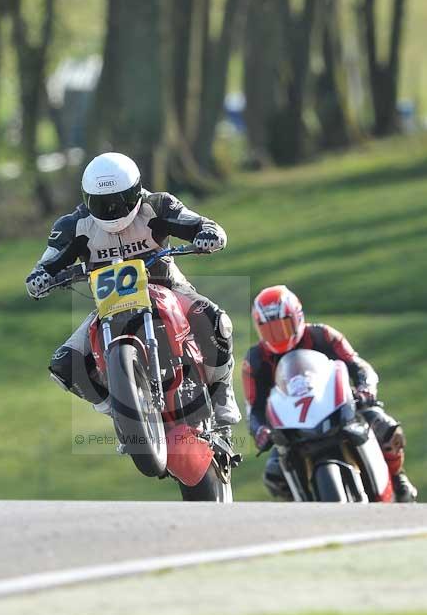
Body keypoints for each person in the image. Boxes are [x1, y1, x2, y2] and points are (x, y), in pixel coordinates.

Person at [26, 151, 241, 426]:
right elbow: (46, 263)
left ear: (137, 192)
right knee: (64, 365)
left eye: (119, 201)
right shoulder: (73, 226)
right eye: (102, 204)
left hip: (169, 287)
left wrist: (209, 235)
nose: (112, 211)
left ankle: (222, 390)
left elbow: (201, 223)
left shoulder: (159, 205)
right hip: (112, 303)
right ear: (86, 199)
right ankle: (119, 411)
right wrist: (39, 279)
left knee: (216, 321)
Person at [242, 284, 417, 502]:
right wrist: (260, 431)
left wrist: (366, 388)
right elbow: (254, 407)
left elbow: (358, 366)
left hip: (340, 407)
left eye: (282, 326)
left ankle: (398, 478)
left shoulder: (323, 335)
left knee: (387, 429)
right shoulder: (255, 360)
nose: (277, 335)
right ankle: (302, 510)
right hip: (292, 427)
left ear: (297, 317)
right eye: (269, 330)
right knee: (274, 474)